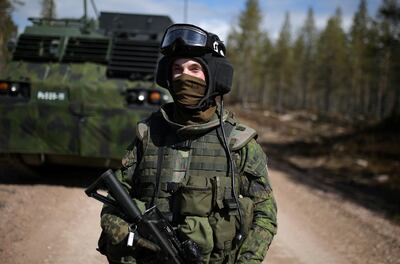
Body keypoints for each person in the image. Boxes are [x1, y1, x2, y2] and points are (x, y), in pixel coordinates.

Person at [98, 23, 277, 264]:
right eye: (177, 69)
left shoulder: (238, 143)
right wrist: (124, 235)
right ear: (168, 76)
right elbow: (114, 202)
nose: (184, 76)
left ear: (214, 77)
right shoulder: (148, 134)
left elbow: (265, 215)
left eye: (194, 68)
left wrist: (247, 260)